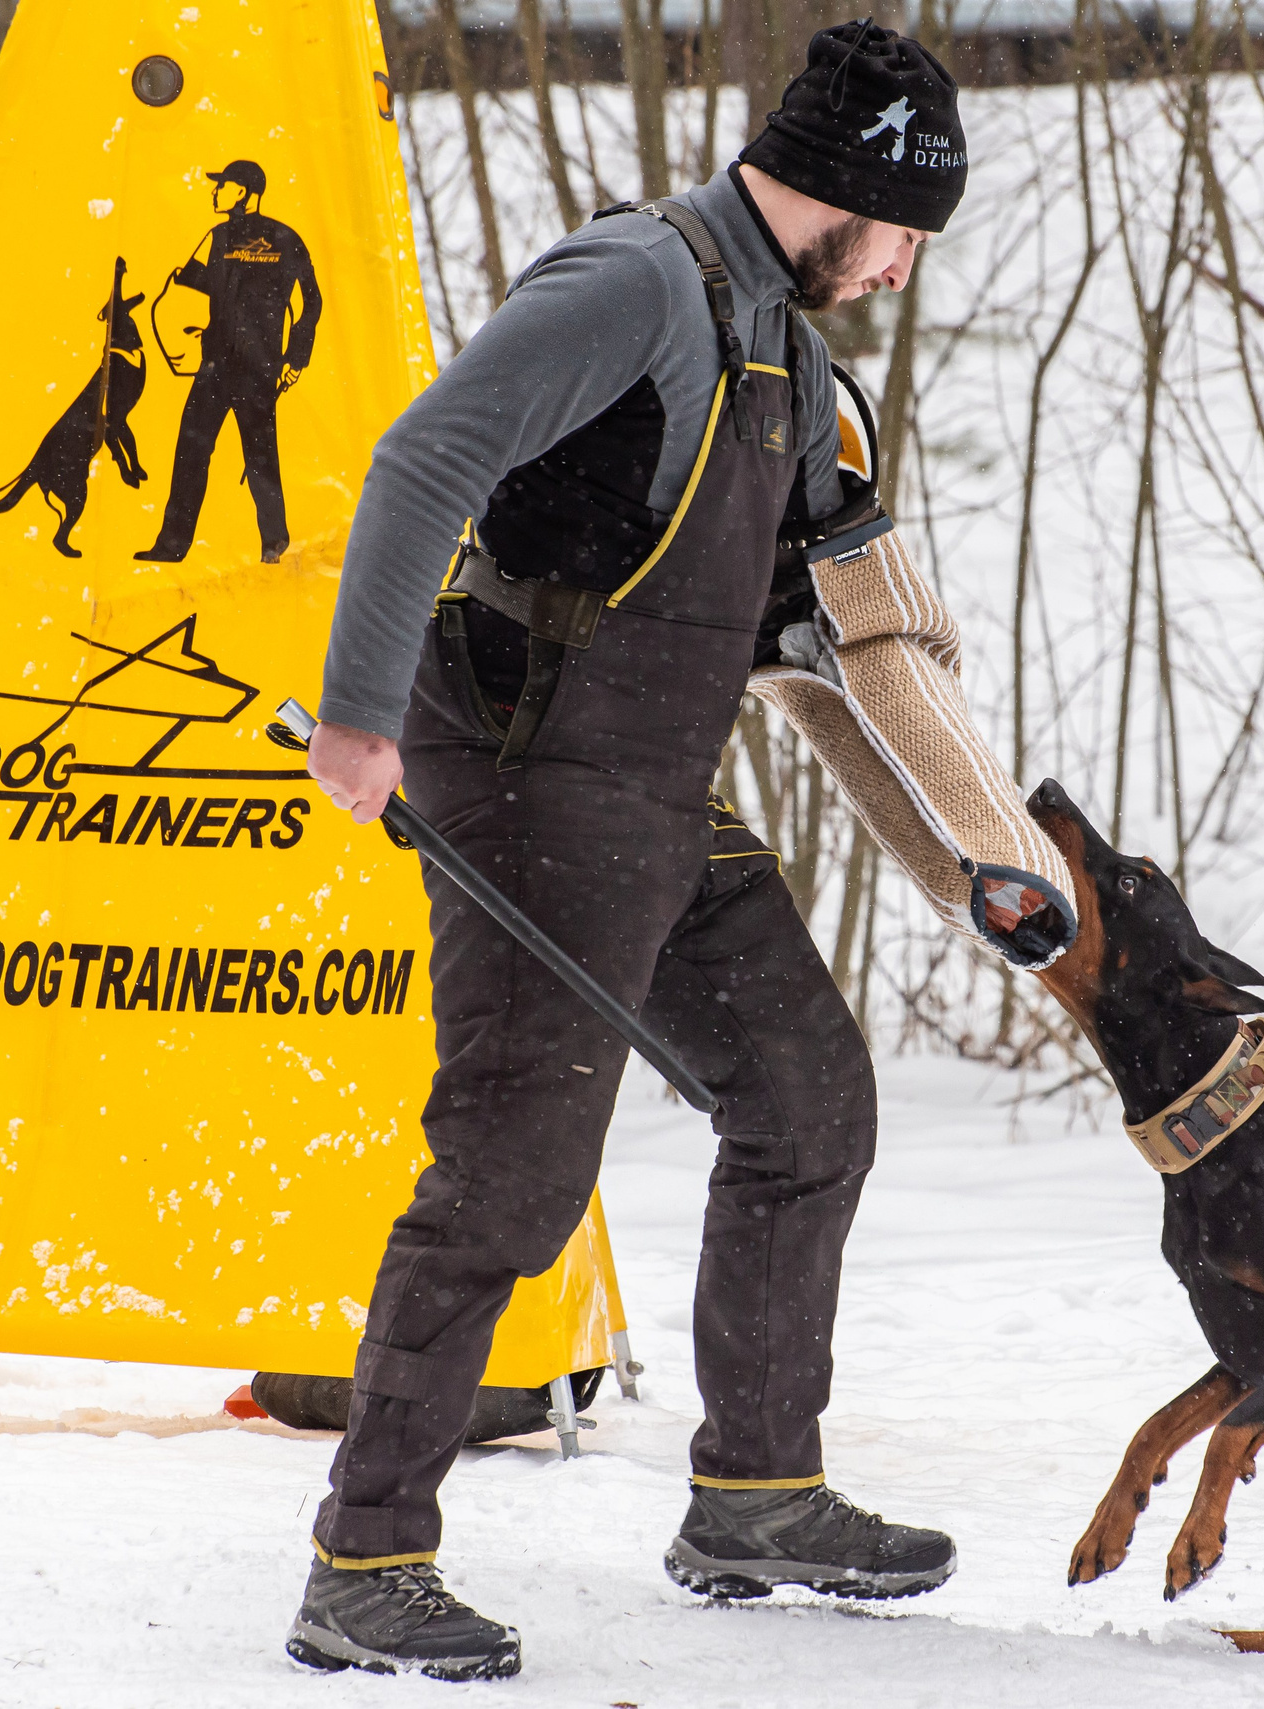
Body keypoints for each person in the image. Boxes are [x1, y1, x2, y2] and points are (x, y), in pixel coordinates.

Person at [284, 23, 972, 1682]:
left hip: (654, 777)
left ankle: (754, 1488)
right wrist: (358, 715)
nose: (899, 271)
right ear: (853, 193)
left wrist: (976, 847)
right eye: (904, 232)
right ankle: (365, 1559)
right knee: (512, 1172)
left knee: (808, 1095)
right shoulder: (635, 283)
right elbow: (423, 453)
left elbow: (836, 619)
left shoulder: (786, 356)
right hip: (528, 767)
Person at [137, 159, 320, 565]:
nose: (216, 192)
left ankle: (273, 544)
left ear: (244, 192)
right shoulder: (218, 237)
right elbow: (189, 289)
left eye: (224, 186)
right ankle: (173, 547)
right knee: (195, 451)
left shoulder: (283, 238)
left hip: (251, 369)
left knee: (256, 456)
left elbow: (312, 300)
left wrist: (297, 356)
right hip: (220, 366)